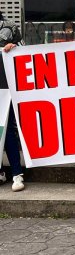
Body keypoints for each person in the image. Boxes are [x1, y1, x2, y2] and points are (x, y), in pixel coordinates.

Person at [0, 12, 25, 191]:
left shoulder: (10, 26)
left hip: (5, 85)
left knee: (7, 128)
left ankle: (17, 173)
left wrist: (14, 48)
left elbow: (24, 52)